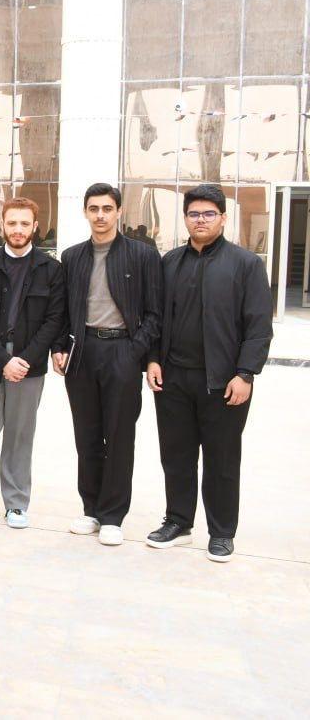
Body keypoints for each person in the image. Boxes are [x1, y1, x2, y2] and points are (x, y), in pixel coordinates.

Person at [145, 185, 272, 563]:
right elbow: (155, 318)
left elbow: (259, 326)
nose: (200, 220)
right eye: (194, 214)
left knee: (222, 460)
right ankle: (178, 521)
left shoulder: (245, 264)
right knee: (176, 456)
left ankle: (221, 532)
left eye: (208, 214)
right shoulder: (169, 262)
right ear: (185, 218)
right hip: (173, 380)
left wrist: (245, 373)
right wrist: (152, 359)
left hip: (224, 382)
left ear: (223, 218)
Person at [53, 183, 162, 547]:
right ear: (85, 212)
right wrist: (59, 346)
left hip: (122, 351)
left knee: (118, 436)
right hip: (83, 352)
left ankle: (113, 515)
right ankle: (91, 509)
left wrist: (135, 352)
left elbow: (155, 312)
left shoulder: (142, 255)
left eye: (107, 208)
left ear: (118, 212)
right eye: (94, 209)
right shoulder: (72, 257)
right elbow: (63, 308)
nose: (100, 215)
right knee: (87, 436)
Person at [0, 197, 66, 529]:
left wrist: (25, 360)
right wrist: (3, 360)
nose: (17, 230)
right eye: (12, 223)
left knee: (20, 437)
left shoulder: (51, 270)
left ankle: (17, 504)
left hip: (28, 369)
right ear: (3, 225)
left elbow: (54, 320)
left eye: (24, 223)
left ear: (35, 226)